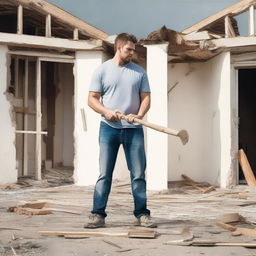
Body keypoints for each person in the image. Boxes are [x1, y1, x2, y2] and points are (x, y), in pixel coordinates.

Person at [84, 33, 156, 229]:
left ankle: (142, 214)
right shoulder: (102, 71)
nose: (132, 53)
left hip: (134, 129)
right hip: (109, 129)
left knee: (139, 174)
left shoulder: (139, 72)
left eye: (133, 49)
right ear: (118, 47)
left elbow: (146, 97)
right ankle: (97, 215)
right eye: (129, 49)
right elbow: (92, 99)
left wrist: (139, 115)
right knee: (104, 174)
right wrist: (107, 112)